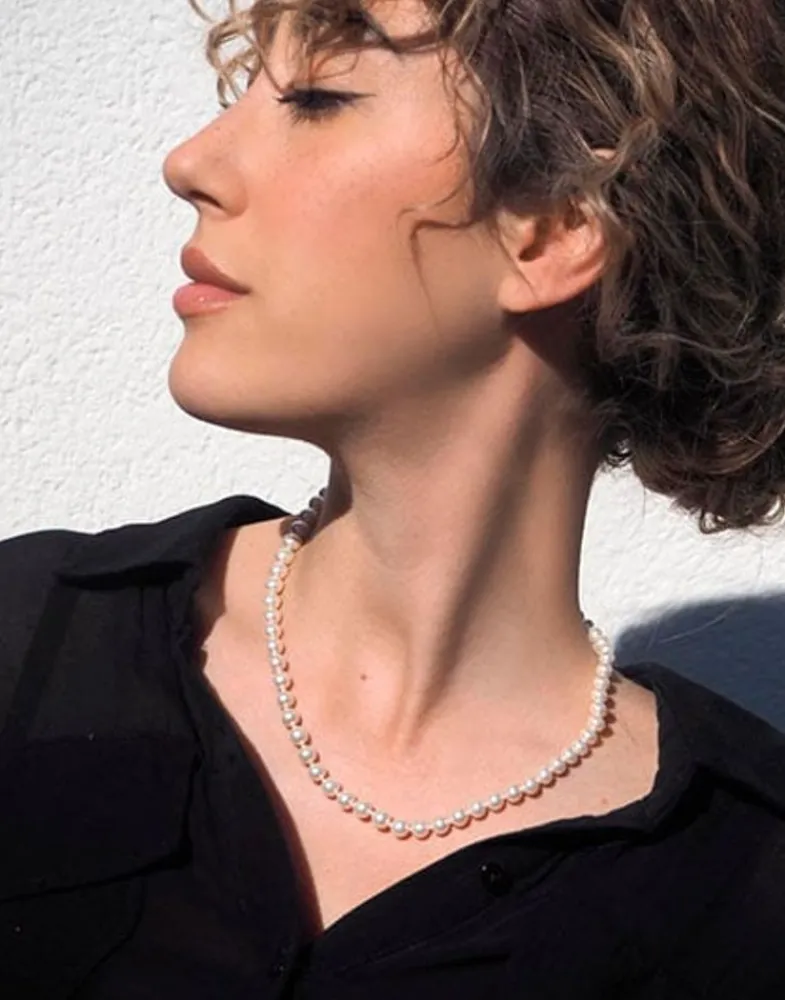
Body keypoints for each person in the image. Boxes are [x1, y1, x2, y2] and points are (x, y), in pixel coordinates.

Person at [2, 0, 785, 995]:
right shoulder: (26, 641)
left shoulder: (743, 888)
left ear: (550, 230)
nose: (189, 161)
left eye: (317, 96)